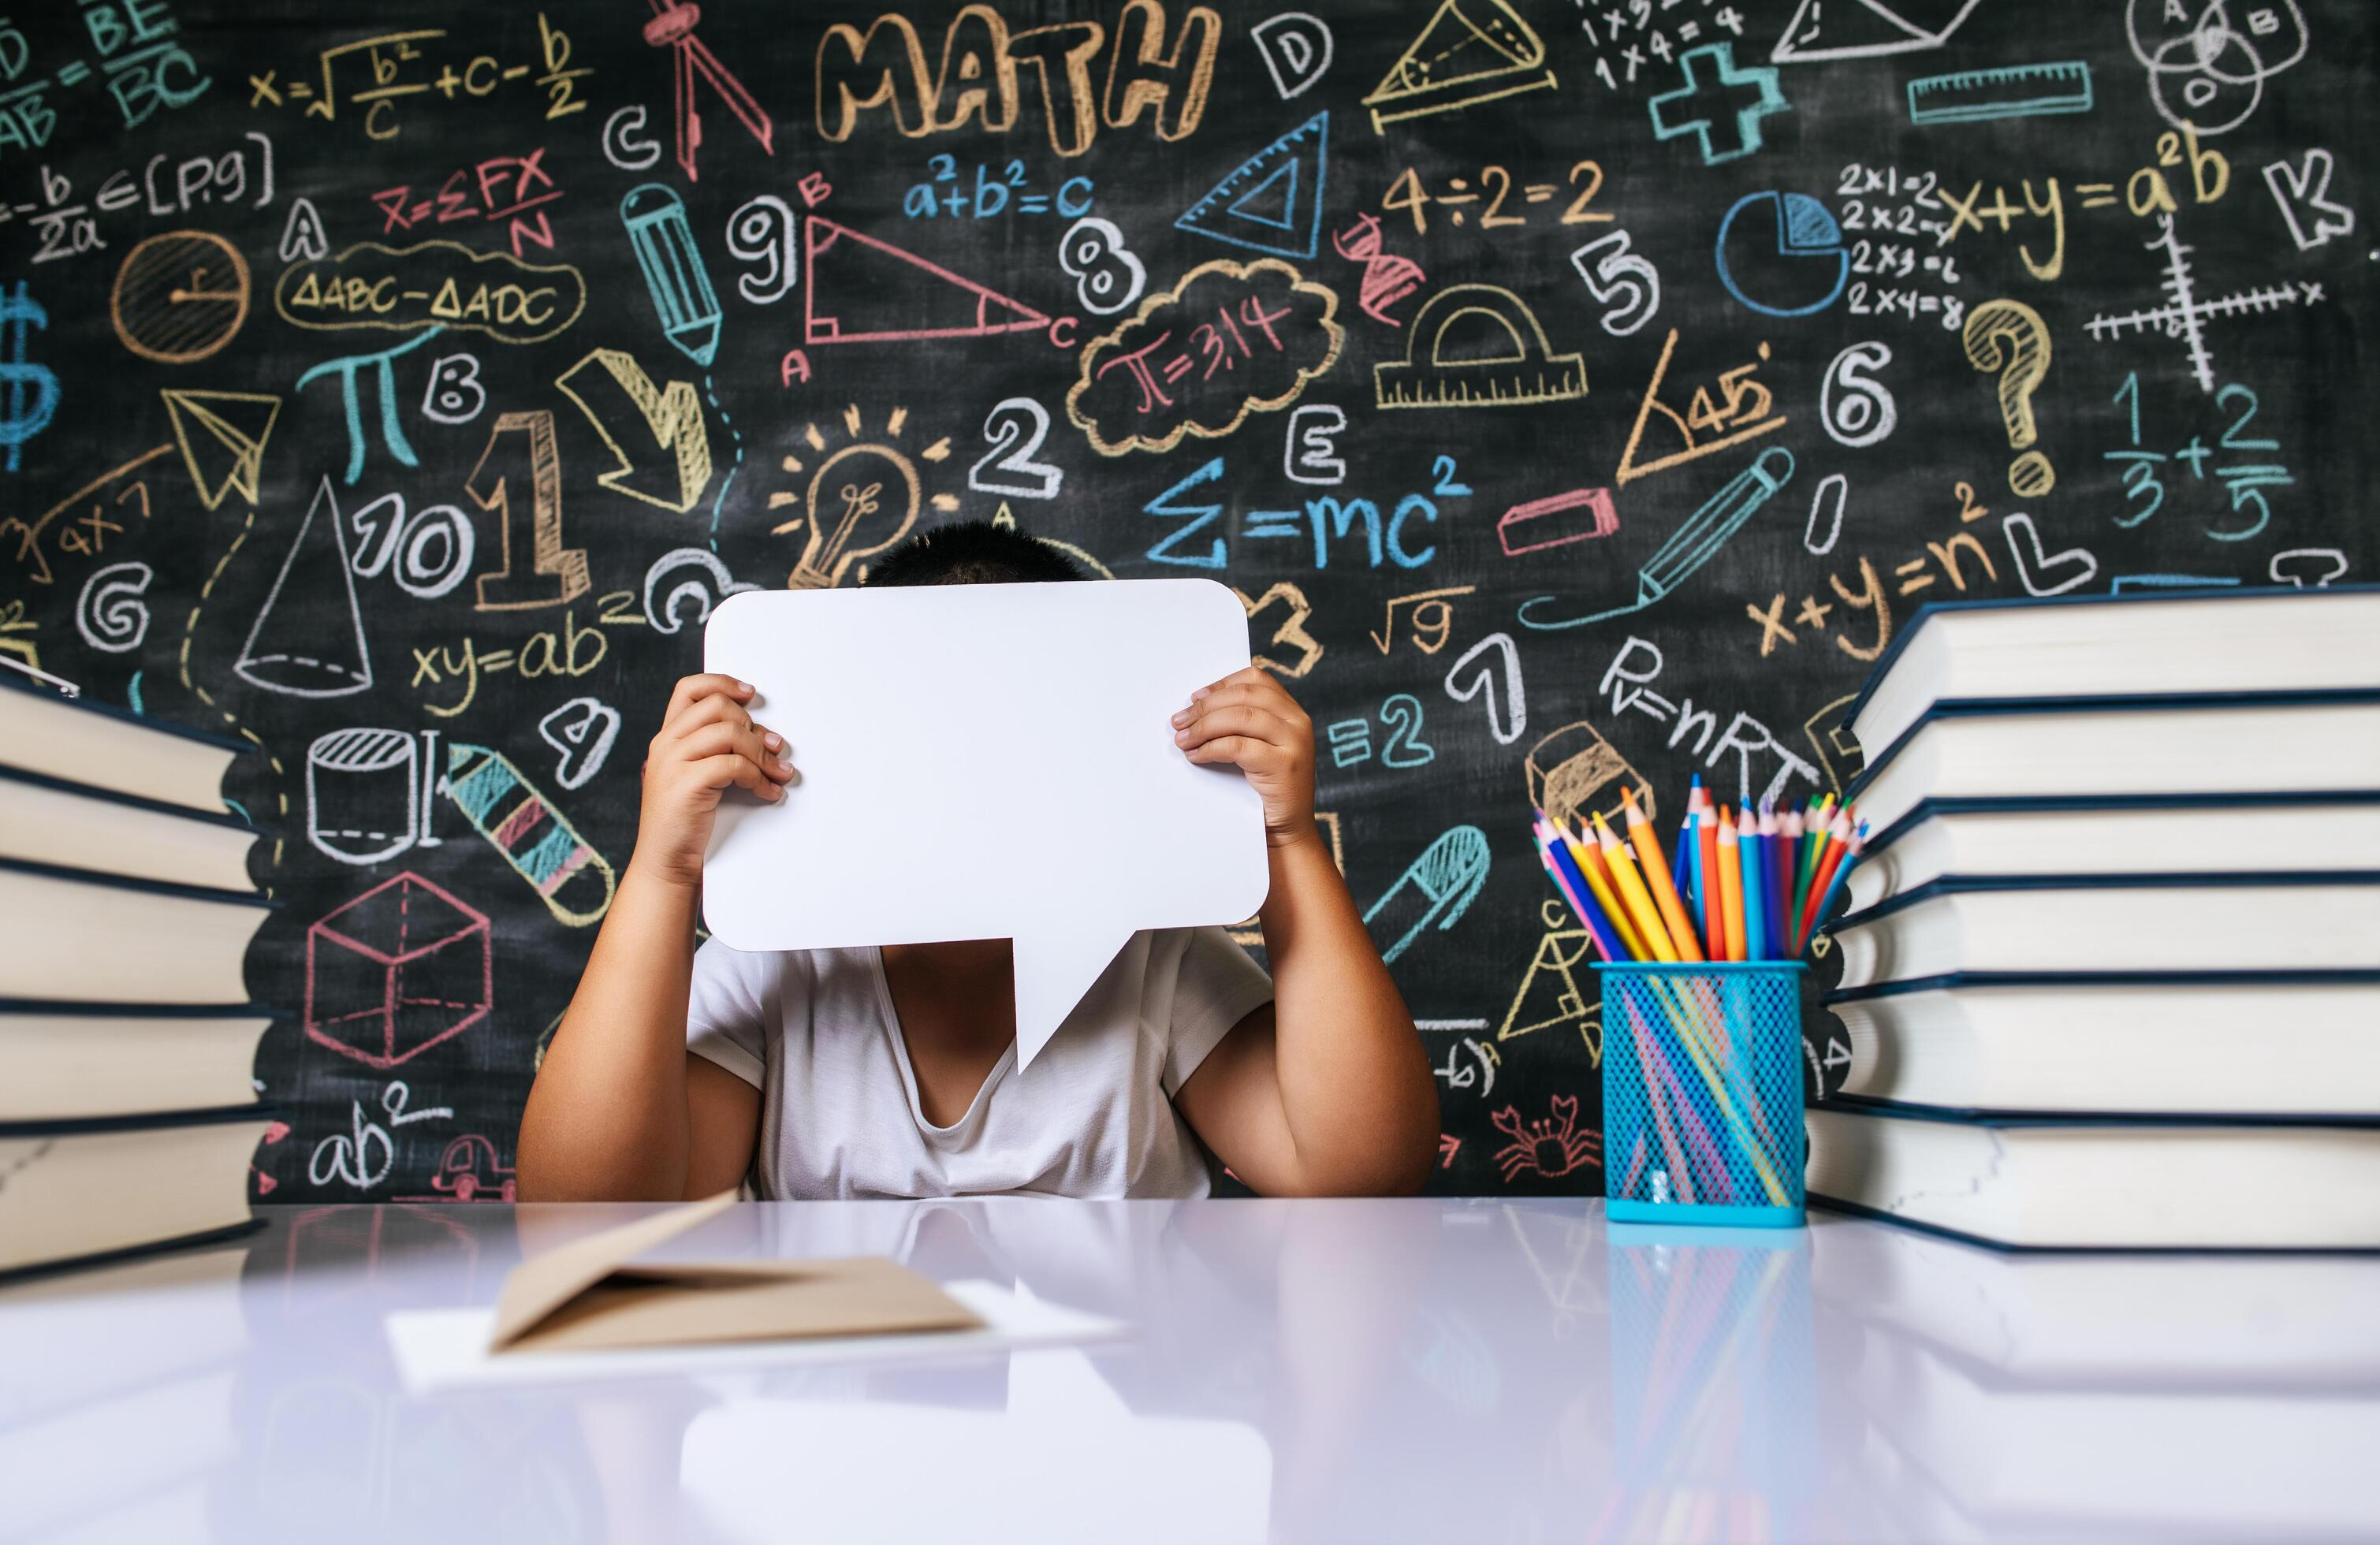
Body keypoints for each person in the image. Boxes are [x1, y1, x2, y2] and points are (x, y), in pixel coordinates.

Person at [518, 521, 1438, 1201]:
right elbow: (588, 1215)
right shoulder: (775, 963)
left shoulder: (1147, 954)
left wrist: (1287, 843)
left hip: (1117, 1430)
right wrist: (662, 874)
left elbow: (1358, 1177)